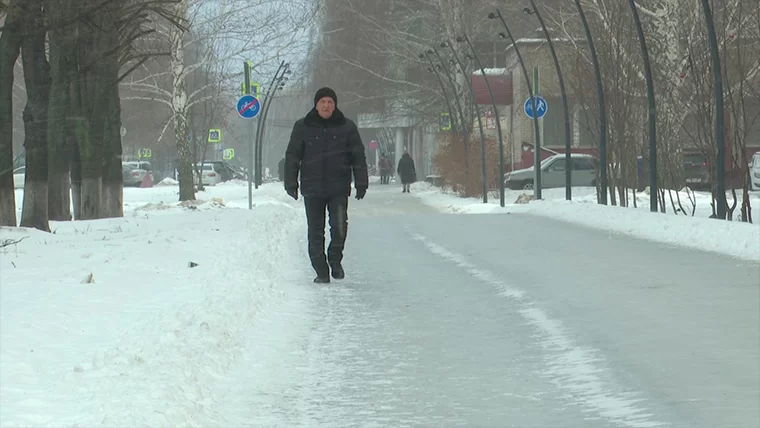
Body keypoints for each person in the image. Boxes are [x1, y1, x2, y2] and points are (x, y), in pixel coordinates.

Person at [284, 87, 369, 283]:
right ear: (316, 104)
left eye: (330, 102)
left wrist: (361, 182)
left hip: (338, 187)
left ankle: (335, 259)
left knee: (339, 227)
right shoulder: (302, 126)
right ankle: (321, 271)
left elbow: (358, 156)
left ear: (335, 105)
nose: (326, 105)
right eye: (323, 101)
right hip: (312, 188)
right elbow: (292, 156)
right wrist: (291, 182)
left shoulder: (347, 127)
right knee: (315, 231)